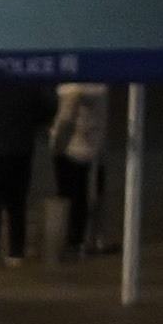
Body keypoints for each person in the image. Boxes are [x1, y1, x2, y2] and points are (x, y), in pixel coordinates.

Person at [0, 73, 46, 261]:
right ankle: (16, 250)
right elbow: (48, 108)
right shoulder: (29, 89)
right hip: (22, 151)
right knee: (17, 203)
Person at [51, 80, 110, 258]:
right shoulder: (100, 87)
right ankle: (95, 238)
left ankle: (76, 240)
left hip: (73, 149)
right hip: (96, 149)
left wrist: (56, 144)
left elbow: (66, 119)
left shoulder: (73, 89)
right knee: (93, 196)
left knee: (74, 198)